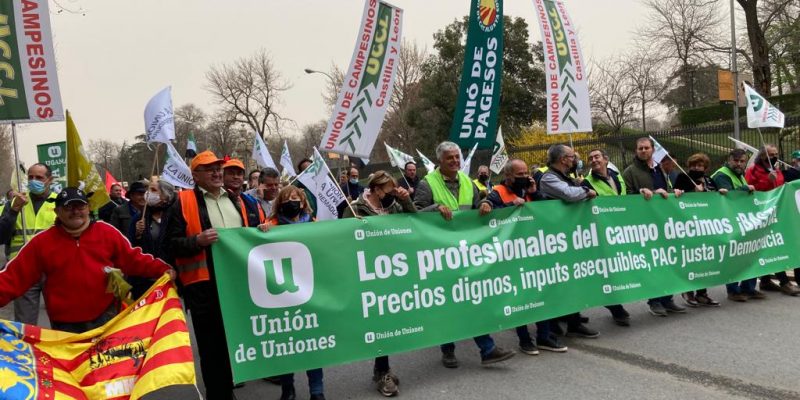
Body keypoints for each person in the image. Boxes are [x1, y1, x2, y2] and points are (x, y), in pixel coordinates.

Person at [0, 187, 174, 333]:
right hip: (65, 327)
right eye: (69, 207)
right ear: (57, 211)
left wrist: (161, 269)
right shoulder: (41, 243)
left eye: (80, 206)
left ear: (88, 208)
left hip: (107, 320)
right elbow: (13, 277)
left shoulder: (106, 233)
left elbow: (133, 259)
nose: (76, 211)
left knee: (109, 373)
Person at [166, 150, 267, 400]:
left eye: (218, 168)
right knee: (212, 349)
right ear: (195, 174)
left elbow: (251, 233)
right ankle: (219, 394)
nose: (216, 172)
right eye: (209, 168)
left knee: (236, 339)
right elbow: (170, 243)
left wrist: (263, 229)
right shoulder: (181, 201)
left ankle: (230, 386)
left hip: (238, 283)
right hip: (204, 286)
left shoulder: (238, 199)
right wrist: (197, 241)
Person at [414, 141, 515, 368]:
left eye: (457, 157)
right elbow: (416, 213)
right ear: (439, 160)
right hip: (440, 254)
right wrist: (434, 209)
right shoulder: (427, 184)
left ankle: (487, 349)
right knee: (448, 304)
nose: (455, 161)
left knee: (469, 300)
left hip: (466, 252)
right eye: (450, 158)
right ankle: (448, 349)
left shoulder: (468, 182)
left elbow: (481, 202)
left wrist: (487, 203)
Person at [487, 159, 569, 355]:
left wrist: (534, 193)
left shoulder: (529, 190)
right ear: (508, 176)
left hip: (535, 252)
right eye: (519, 175)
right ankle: (524, 340)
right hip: (512, 256)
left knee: (542, 293)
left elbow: (547, 211)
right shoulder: (497, 192)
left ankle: (544, 336)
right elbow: (487, 214)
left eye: (526, 173)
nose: (524, 177)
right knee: (521, 298)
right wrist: (509, 207)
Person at [342, 171, 413, 396]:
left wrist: (405, 199)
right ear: (375, 189)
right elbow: (342, 237)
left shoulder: (393, 206)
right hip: (367, 275)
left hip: (391, 271)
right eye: (388, 189)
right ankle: (383, 372)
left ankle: (381, 368)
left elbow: (415, 219)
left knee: (388, 322)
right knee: (379, 324)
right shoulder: (355, 209)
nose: (392, 193)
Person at [265, 186, 325, 400]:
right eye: (289, 199)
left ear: (303, 202)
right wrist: (261, 232)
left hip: (310, 289)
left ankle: (317, 391)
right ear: (281, 203)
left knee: (312, 343)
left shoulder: (312, 223)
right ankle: (287, 388)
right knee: (286, 344)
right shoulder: (271, 225)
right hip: (284, 292)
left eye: (297, 199)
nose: (293, 202)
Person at [538, 144, 601, 338]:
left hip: (568, 236)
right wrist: (585, 191)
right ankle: (555, 321)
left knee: (571, 279)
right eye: (572, 156)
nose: (575, 159)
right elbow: (569, 195)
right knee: (558, 280)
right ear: (563, 159)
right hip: (553, 238)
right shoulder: (548, 177)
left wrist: (580, 186)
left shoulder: (566, 177)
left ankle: (570, 318)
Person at [622, 137, 686, 317]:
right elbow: (625, 197)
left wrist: (675, 193)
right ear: (636, 151)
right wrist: (640, 193)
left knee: (669, 261)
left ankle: (668, 299)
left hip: (664, 223)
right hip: (645, 226)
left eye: (646, 148)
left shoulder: (661, 169)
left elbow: (666, 190)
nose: (643, 151)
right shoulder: (630, 172)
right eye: (640, 148)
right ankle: (655, 301)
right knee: (653, 264)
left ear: (652, 150)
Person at [0, 163, 58, 325]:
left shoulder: (60, 204)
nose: (34, 181)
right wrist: (13, 211)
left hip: (54, 270)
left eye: (39, 177)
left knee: (63, 322)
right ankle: (27, 350)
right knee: (25, 326)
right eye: (31, 177)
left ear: (50, 180)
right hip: (23, 270)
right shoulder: (15, 204)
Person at [581, 149, 633, 326]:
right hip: (601, 233)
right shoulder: (586, 182)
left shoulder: (617, 177)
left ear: (606, 159)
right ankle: (615, 308)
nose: (593, 160)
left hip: (620, 231)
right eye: (590, 158)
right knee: (606, 272)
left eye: (597, 157)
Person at [745, 145, 800, 296]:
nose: (774, 157)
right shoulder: (752, 171)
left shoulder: (778, 171)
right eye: (771, 154)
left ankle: (765, 280)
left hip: (778, 214)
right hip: (761, 215)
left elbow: (780, 190)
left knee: (777, 244)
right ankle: (784, 282)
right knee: (773, 246)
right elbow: (750, 191)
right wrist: (767, 182)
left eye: (776, 154)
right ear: (762, 156)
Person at [672, 153, 724, 307]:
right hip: (688, 225)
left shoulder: (708, 180)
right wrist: (691, 192)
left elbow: (715, 197)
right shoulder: (683, 178)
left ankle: (702, 293)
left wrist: (719, 193)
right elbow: (675, 197)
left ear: (705, 167)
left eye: (699, 166)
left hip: (706, 226)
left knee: (705, 260)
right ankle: (688, 291)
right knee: (691, 259)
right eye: (693, 165)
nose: (696, 168)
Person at [711, 149, 761, 301]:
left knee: (750, 253)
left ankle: (749, 288)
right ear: (729, 160)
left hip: (741, 220)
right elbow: (730, 196)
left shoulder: (739, 174)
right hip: (729, 222)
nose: (739, 164)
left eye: (742, 161)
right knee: (733, 257)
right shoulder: (721, 174)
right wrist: (745, 189)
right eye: (736, 161)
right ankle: (733, 291)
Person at [130, 179, 176, 299]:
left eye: (153, 190)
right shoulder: (139, 218)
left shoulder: (175, 216)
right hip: (146, 280)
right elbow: (131, 249)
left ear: (166, 197)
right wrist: (137, 234)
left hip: (170, 276)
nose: (148, 193)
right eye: (148, 190)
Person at [223, 158, 266, 227]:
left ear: (243, 178)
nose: (235, 177)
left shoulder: (253, 202)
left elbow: (263, 225)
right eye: (231, 173)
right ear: (223, 177)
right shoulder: (215, 199)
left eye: (239, 174)